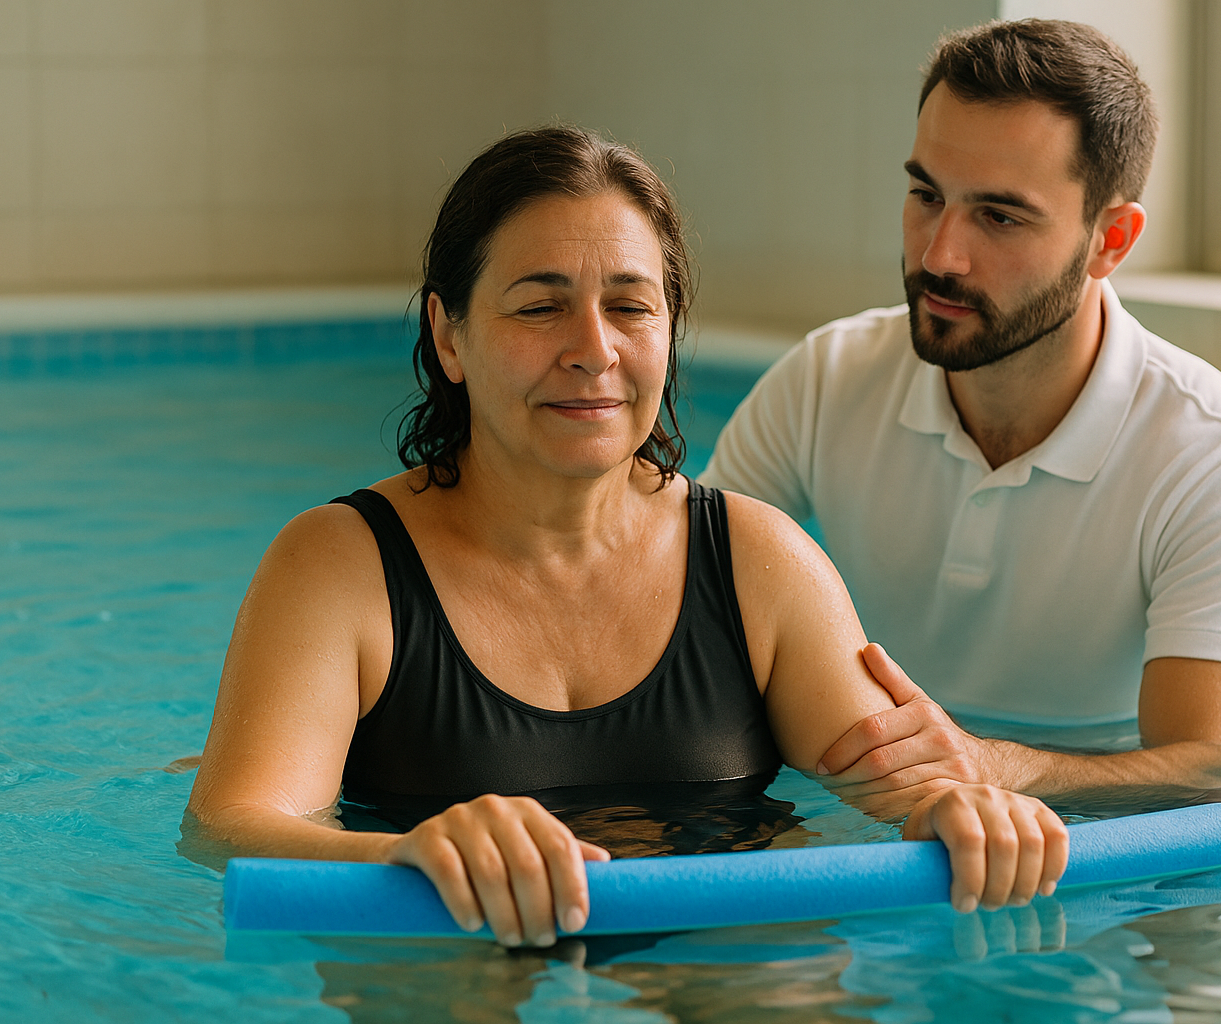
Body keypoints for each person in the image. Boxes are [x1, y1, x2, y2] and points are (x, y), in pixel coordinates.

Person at [186, 126, 1068, 950]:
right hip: (450, 940)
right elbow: (232, 826)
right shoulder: (342, 566)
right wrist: (416, 855)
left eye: (630, 306)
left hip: (712, 945)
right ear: (449, 336)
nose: (594, 349)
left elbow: (897, 787)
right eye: (540, 307)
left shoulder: (758, 563)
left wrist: (959, 811)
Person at [699, 20, 1221, 802]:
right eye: (927, 196)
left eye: (1000, 217)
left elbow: (1220, 775)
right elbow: (680, 616)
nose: (938, 255)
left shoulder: (1219, 461)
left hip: (1088, 842)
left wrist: (1002, 768)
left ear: (1111, 240)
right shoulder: (827, 380)